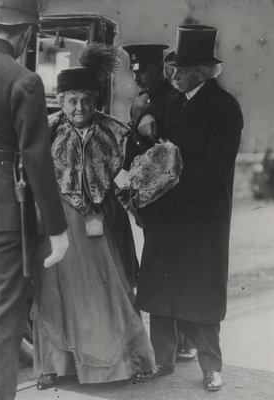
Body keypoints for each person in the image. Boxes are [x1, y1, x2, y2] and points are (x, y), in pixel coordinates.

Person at [33, 43, 156, 390]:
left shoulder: (116, 131)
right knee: (57, 294)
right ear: (61, 98)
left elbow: (130, 175)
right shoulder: (47, 130)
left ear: (95, 99)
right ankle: (55, 365)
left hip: (104, 222)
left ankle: (122, 365)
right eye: (72, 99)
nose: (80, 107)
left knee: (111, 288)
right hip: (61, 225)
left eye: (86, 99)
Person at [134, 25, 244, 391]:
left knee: (202, 292)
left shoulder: (225, 107)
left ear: (202, 71)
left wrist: (167, 185)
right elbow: (152, 145)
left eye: (180, 69)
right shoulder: (171, 101)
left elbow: (217, 168)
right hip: (169, 214)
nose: (173, 74)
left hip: (201, 215)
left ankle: (211, 367)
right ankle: (161, 361)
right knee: (162, 289)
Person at [0, 1, 69, 399]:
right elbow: (36, 161)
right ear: (26, 32)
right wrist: (58, 229)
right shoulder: (24, 80)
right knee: (1, 314)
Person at [122, 43, 197, 362]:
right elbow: (132, 147)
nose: (138, 78)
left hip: (172, 195)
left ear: (160, 69)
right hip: (147, 197)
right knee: (160, 262)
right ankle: (172, 341)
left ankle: (186, 339)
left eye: (145, 71)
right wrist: (122, 182)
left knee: (178, 265)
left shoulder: (174, 97)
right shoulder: (140, 99)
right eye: (135, 71)